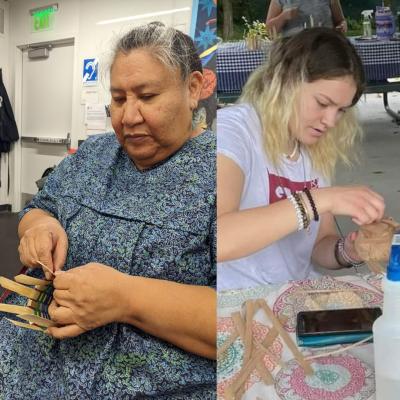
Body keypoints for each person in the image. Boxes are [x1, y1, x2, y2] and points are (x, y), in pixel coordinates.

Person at [0, 22, 216, 399]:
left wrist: (127, 298)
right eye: (118, 99)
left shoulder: (224, 174)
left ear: (193, 88)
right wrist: (38, 227)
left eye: (147, 97)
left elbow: (241, 319)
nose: (128, 117)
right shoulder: (94, 154)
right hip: (27, 357)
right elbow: (40, 207)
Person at [217, 27, 385, 291]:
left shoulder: (315, 146)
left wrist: (350, 250)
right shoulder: (233, 131)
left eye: (341, 110)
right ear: (285, 83)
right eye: (322, 103)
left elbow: (319, 245)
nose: (330, 121)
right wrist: (319, 199)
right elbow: (217, 238)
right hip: (239, 302)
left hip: (296, 295)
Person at [266, 0, 347, 37]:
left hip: (324, 47)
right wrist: (283, 16)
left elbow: (340, 21)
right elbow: (269, 31)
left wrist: (342, 26)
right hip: (293, 50)